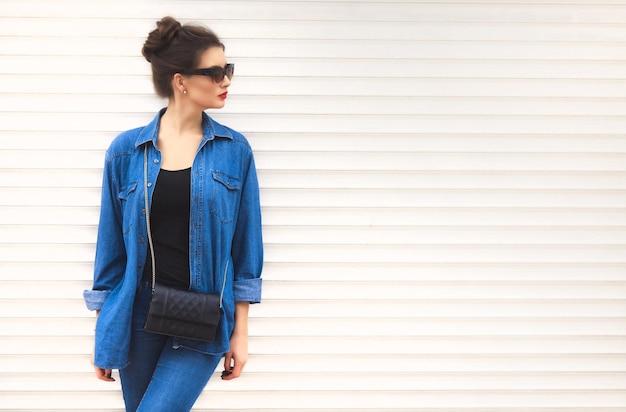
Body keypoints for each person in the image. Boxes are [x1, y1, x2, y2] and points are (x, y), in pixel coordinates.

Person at [83, 16, 263, 411]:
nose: (227, 81)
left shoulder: (235, 151)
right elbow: (110, 247)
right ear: (180, 80)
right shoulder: (126, 152)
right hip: (138, 314)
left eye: (228, 70)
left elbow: (246, 249)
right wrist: (104, 329)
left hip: (204, 314)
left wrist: (242, 333)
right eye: (215, 72)